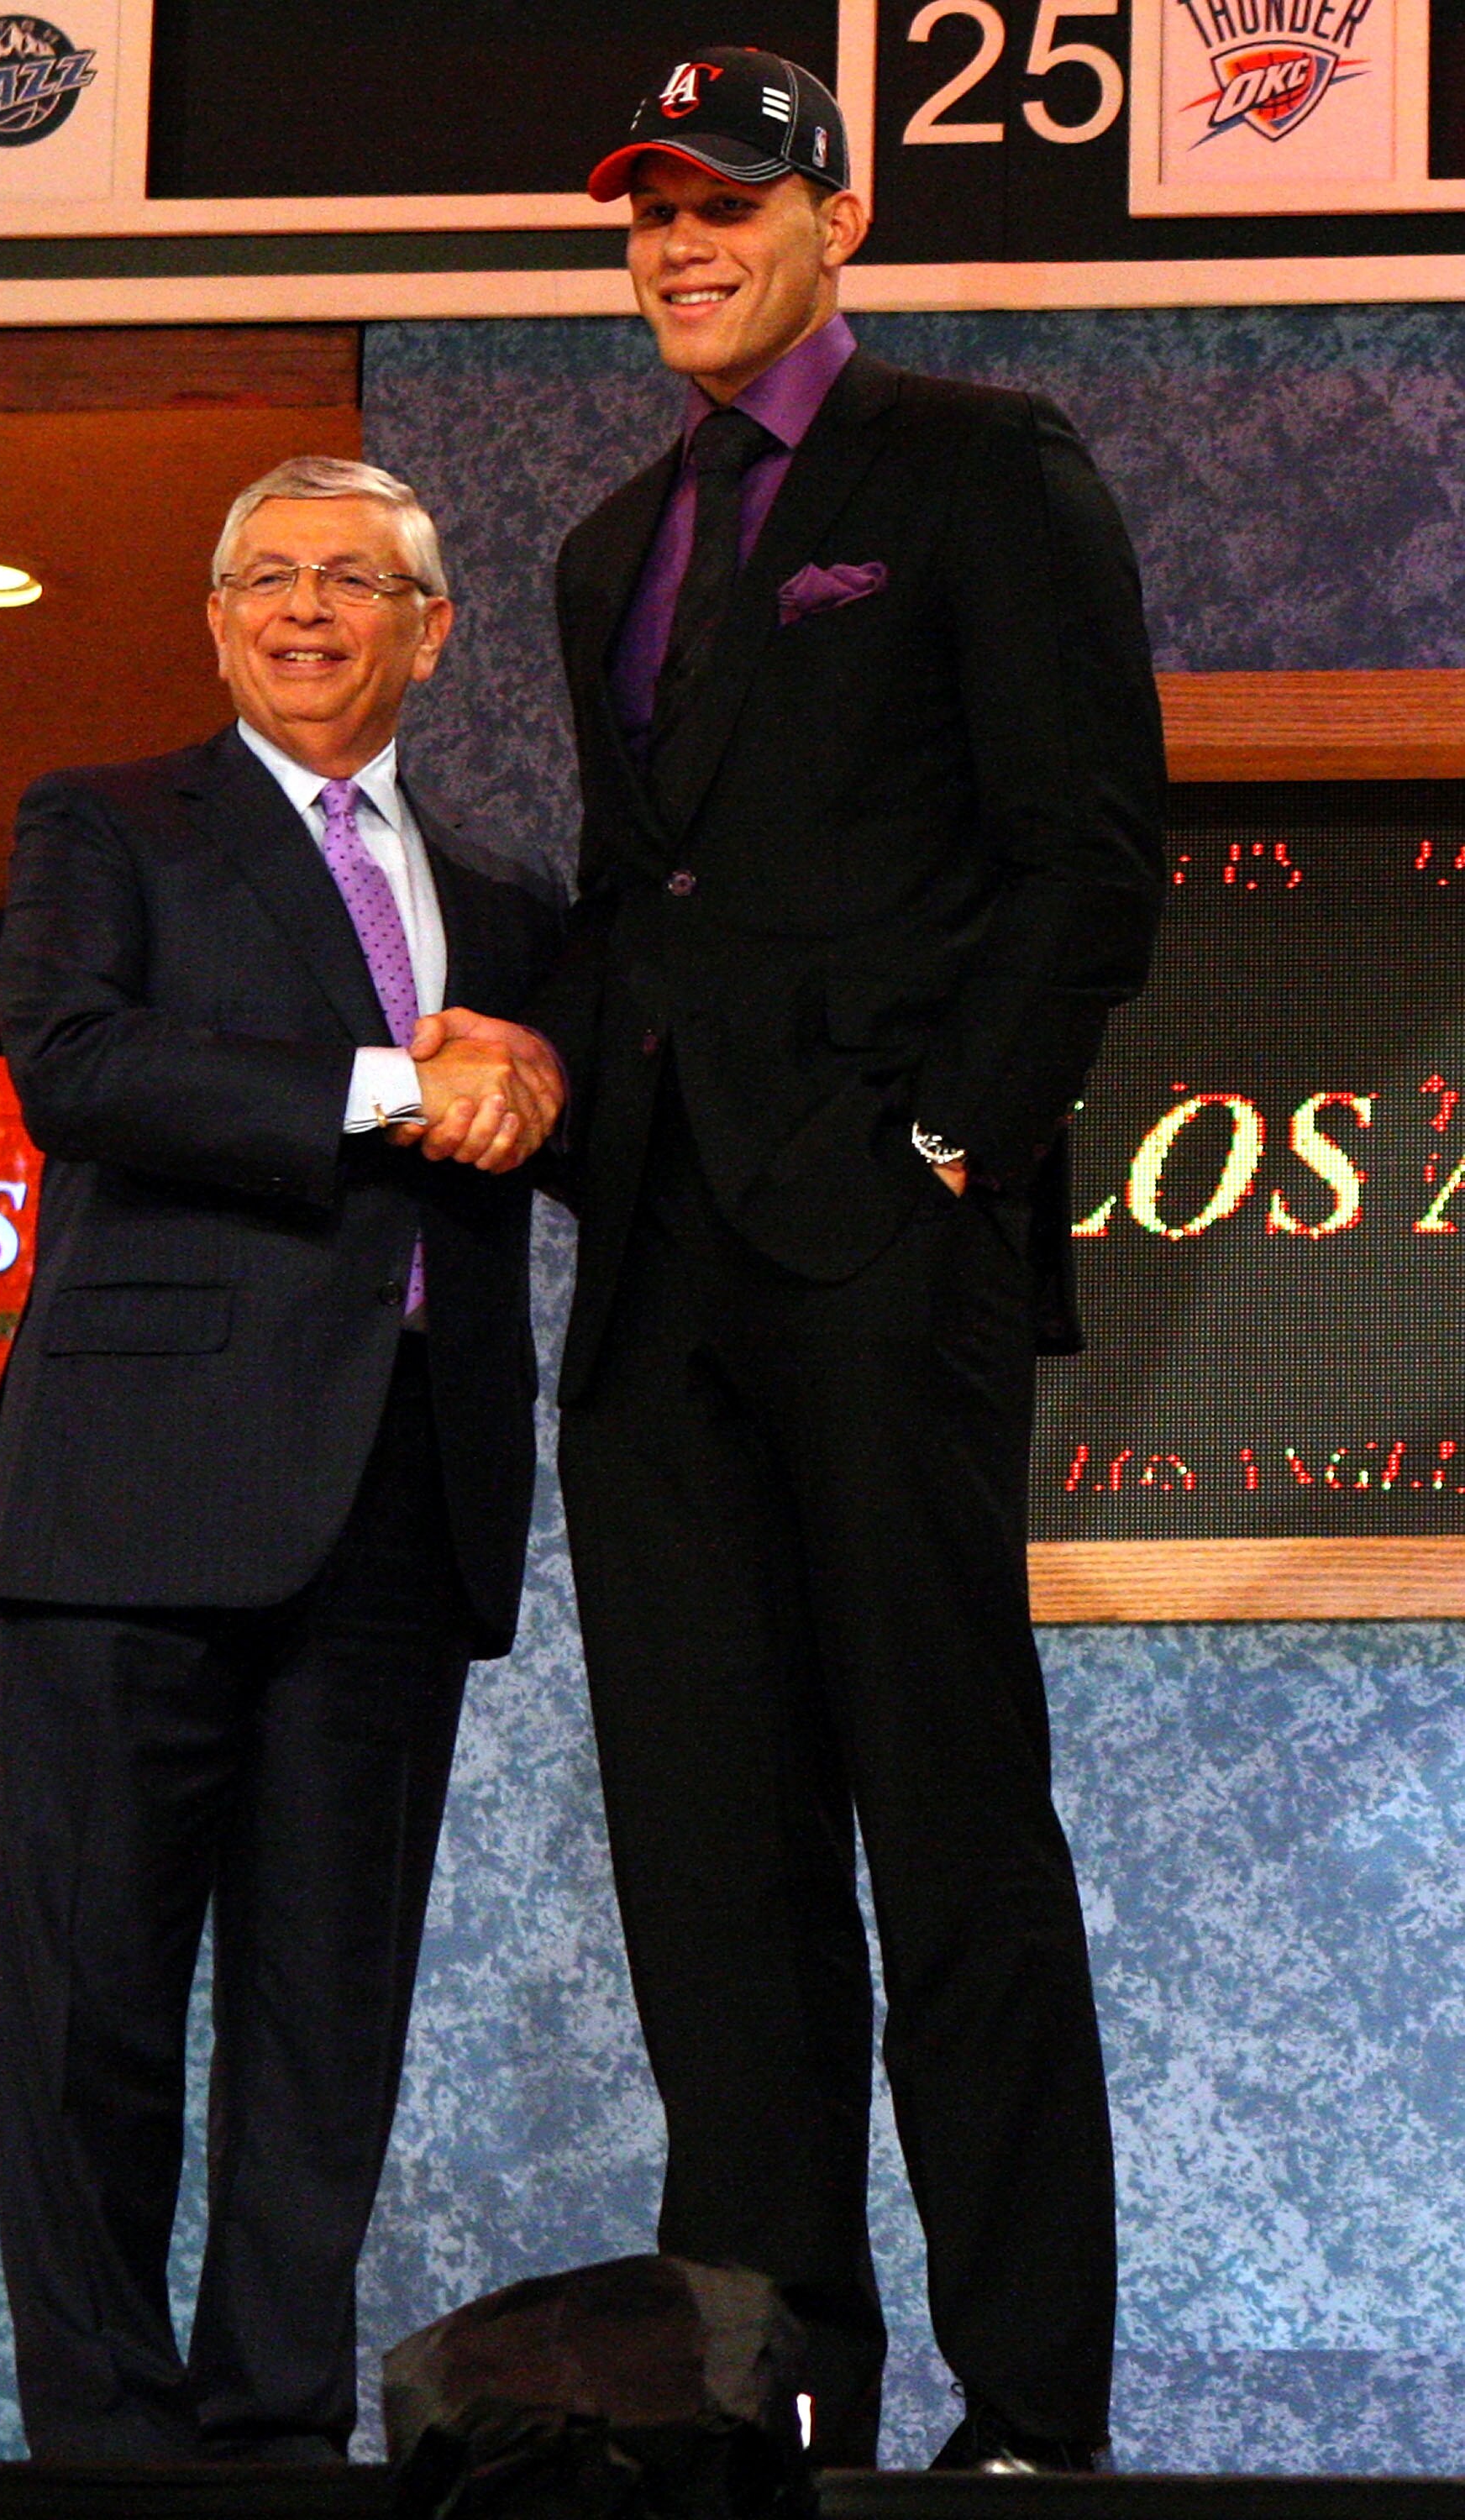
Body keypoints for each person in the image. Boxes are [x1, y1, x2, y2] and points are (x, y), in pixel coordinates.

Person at [422, 45, 1164, 2475]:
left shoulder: (976, 466)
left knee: (944, 1836)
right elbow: (663, 915)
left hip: (882, 1256)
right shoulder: (596, 548)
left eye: (722, 196)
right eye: (641, 207)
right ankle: (778, 2408)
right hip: (650, 1300)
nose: (672, 239)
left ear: (830, 213)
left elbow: (1083, 854)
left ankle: (1030, 2412)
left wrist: (950, 1143)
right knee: (711, 1885)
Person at [0, 455, 565, 2463]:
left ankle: (275, 2445)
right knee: (91, 2017)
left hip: (399, 1510)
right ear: (216, 622)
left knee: (327, 2037)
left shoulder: (509, 908)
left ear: (433, 628)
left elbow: (560, 1129)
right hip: (130, 1506)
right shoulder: (112, 823)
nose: (309, 608)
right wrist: (404, 1083)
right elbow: (76, 1066)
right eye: (268, 577)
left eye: (357, 579)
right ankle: (111, 2456)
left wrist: (537, 1075)